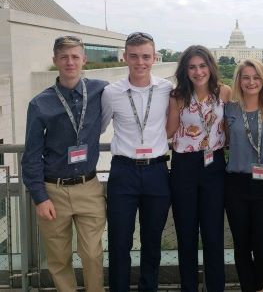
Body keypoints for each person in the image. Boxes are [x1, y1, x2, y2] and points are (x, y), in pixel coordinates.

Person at [22, 36, 107, 291]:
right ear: (55, 61)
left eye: (74, 56)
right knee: (59, 259)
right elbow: (31, 155)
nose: (70, 62)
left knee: (93, 254)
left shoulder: (101, 90)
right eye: (64, 57)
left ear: (84, 59)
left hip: (89, 187)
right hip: (53, 191)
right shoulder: (39, 104)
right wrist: (40, 197)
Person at [101, 32, 172, 292]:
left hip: (157, 172)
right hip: (123, 172)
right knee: (120, 241)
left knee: (152, 241)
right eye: (134, 56)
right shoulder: (111, 93)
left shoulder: (167, 89)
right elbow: (98, 126)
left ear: (154, 58)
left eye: (145, 56)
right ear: (125, 57)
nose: (140, 62)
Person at [166, 45, 231, 292]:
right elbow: (170, 132)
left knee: (214, 234)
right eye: (192, 67)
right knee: (187, 234)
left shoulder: (223, 92)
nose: (198, 71)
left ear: (210, 67)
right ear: (185, 70)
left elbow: (230, 128)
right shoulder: (178, 96)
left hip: (214, 164)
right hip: (184, 167)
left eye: (202, 66)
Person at [224, 59, 263, 292]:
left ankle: (258, 286)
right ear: (239, 80)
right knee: (241, 244)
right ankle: (248, 287)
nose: (251, 82)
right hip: (236, 183)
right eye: (246, 77)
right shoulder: (229, 109)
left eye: (256, 77)